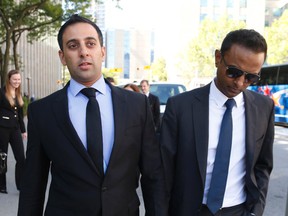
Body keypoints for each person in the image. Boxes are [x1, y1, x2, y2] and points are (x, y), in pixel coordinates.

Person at [18, 14, 167, 216]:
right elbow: (33, 184)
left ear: (102, 51)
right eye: (73, 46)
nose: (83, 52)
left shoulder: (137, 104)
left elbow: (152, 174)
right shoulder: (42, 112)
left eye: (90, 44)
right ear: (62, 57)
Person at [160, 29, 274, 216]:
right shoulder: (180, 107)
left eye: (250, 77)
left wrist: (256, 211)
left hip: (239, 210)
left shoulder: (264, 107)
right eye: (234, 72)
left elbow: (262, 166)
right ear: (218, 58)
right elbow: (162, 172)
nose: (240, 83)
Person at [0, 69, 27, 194]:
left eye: (19, 79)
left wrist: (23, 130)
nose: (17, 81)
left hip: (15, 129)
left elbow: (20, 115)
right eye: (14, 79)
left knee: (21, 158)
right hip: (2, 129)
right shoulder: (1, 93)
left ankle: (21, 185)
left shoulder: (18, 94)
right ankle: (2, 185)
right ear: (9, 80)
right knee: (2, 157)